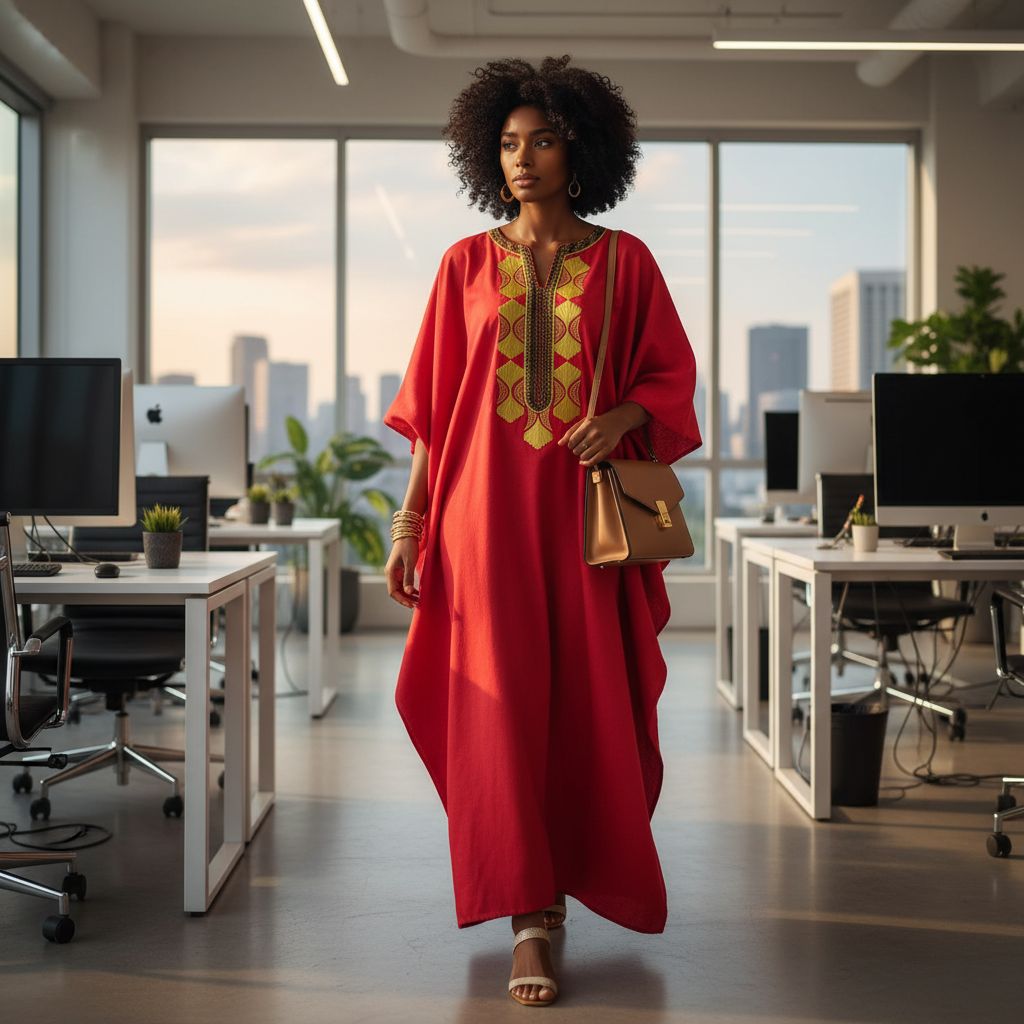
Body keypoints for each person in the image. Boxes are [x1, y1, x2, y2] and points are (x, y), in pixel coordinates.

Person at [382, 55, 701, 1008]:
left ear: (582, 148)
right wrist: (410, 523)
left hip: (584, 522)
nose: (524, 160)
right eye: (509, 144)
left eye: (544, 140)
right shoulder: (462, 266)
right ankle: (531, 914)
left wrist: (624, 414)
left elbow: (670, 383)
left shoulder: (627, 261)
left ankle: (567, 883)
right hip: (480, 523)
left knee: (590, 707)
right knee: (498, 712)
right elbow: (436, 414)